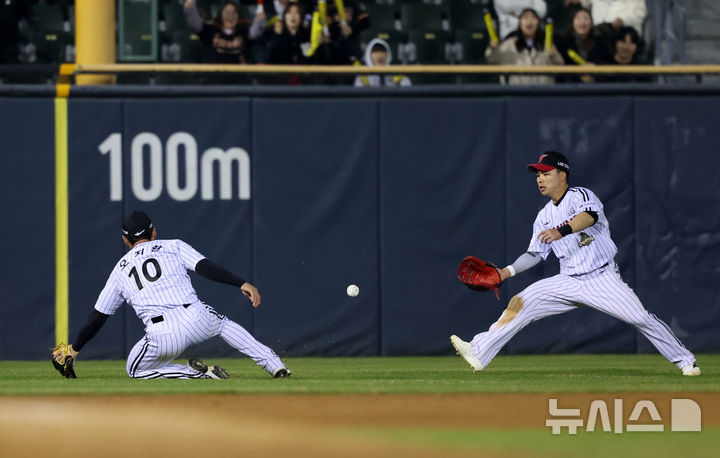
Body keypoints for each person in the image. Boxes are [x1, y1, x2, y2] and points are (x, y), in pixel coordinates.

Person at [451, 151, 701, 377]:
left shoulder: (581, 195)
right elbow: (535, 254)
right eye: (538, 175)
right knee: (522, 301)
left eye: (546, 173)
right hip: (568, 280)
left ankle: (686, 361)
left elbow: (588, 217)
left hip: (601, 278)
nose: (540, 179)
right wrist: (505, 272)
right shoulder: (544, 216)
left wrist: (560, 231)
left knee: (640, 318)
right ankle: (478, 351)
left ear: (562, 175)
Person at [52, 211, 291, 380]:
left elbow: (99, 316)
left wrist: (74, 349)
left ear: (125, 240)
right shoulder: (173, 245)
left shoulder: (120, 270)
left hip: (163, 334)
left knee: (134, 369)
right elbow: (204, 266)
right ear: (154, 232)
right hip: (195, 316)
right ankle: (275, 365)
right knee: (223, 325)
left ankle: (196, 374)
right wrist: (241, 282)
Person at [485, 8, 564, 85]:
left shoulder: (547, 44)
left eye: (533, 17)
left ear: (538, 23)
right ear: (520, 23)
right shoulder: (509, 44)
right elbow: (492, 59)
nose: (529, 21)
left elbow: (560, 66)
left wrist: (553, 54)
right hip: (517, 91)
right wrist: (492, 48)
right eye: (525, 17)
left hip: (543, 91)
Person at [184, 0, 251, 63]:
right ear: (221, 15)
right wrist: (190, 5)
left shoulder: (244, 32)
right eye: (227, 12)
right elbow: (195, 24)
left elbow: (254, 32)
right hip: (213, 71)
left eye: (234, 12)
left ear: (238, 16)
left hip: (239, 71)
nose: (230, 15)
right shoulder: (210, 30)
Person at [556, 7, 606, 82]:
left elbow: (608, 61)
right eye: (578, 19)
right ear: (572, 23)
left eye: (586, 19)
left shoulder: (601, 40)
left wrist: (595, 67)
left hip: (598, 83)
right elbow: (562, 65)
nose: (582, 23)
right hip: (571, 84)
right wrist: (579, 75)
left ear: (591, 23)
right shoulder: (564, 42)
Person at [579, 0, 646, 36]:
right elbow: (585, 3)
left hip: (624, 35)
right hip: (598, 34)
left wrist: (623, 20)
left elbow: (639, 13)